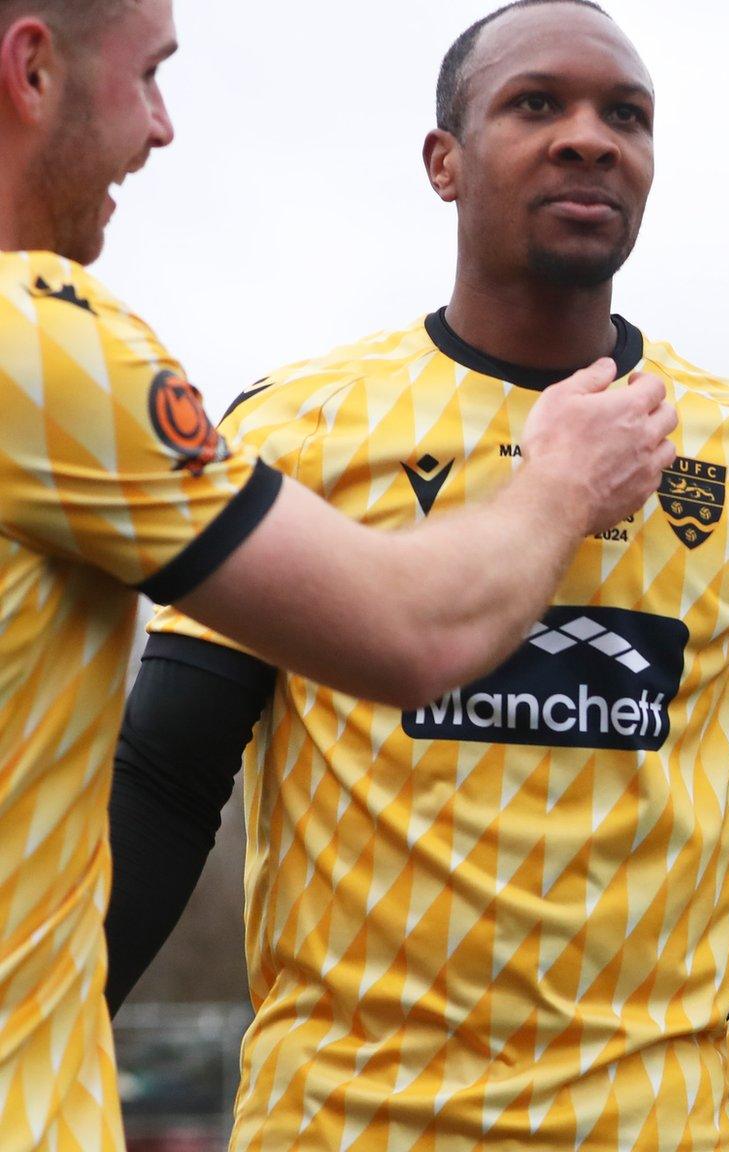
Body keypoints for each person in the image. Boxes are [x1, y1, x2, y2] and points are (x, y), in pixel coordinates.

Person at [100, 3, 729, 1150]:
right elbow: (169, 780)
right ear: (443, 162)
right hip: (348, 1126)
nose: (590, 138)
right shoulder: (302, 428)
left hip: (648, 1126)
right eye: (536, 105)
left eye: (627, 116)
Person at [0, 0, 675, 1145]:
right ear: (32, 68)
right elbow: (402, 638)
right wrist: (561, 484)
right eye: (149, 76)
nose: (162, 130)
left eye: (626, 115)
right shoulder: (44, 342)